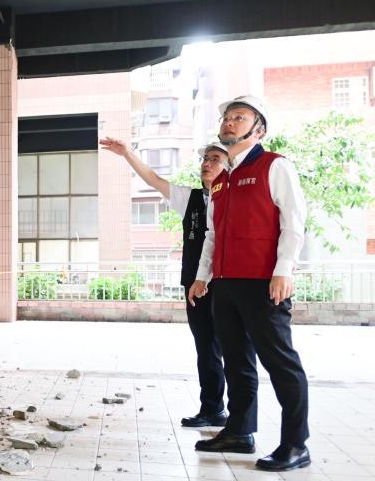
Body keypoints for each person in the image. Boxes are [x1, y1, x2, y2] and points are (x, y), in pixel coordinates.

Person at [188, 95, 310, 472]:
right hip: (224, 285)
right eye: (227, 116)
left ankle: (295, 444)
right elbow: (212, 234)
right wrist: (201, 277)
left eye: (239, 117)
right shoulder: (221, 181)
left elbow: (294, 220)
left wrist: (283, 269)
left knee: (281, 364)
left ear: (259, 129)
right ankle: (240, 431)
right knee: (237, 361)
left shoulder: (275, 166)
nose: (230, 121)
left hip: (262, 283)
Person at [99, 136, 233, 428]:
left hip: (228, 284)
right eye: (205, 159)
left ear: (230, 165)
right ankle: (212, 409)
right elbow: (153, 178)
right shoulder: (191, 198)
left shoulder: (237, 198)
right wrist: (127, 154)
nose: (207, 164)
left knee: (234, 349)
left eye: (215, 159)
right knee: (206, 348)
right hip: (195, 287)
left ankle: (241, 418)